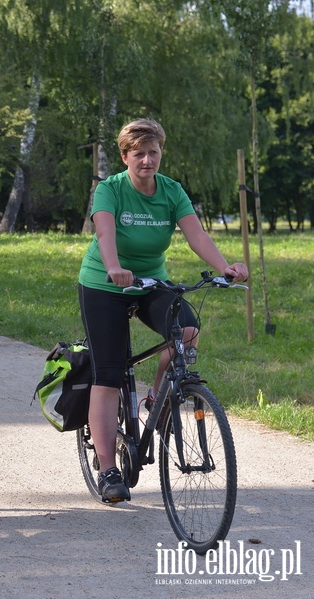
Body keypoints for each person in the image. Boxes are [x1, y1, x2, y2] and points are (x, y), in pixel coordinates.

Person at [78, 118, 248, 503]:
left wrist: (225, 267)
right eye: (138, 153)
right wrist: (113, 267)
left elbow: (196, 235)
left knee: (187, 332)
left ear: (160, 154)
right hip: (105, 284)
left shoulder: (171, 191)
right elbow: (105, 233)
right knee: (108, 373)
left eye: (153, 152)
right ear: (125, 156)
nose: (147, 160)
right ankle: (108, 470)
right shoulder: (110, 190)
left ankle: (156, 397)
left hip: (152, 283)